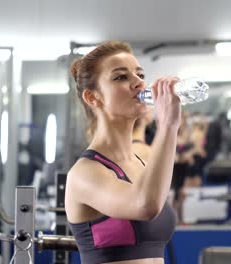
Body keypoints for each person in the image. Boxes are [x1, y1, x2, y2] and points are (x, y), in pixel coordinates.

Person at [65, 41, 180, 264]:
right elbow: (145, 206)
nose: (138, 83)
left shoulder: (142, 164)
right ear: (92, 97)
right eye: (121, 77)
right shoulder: (84, 174)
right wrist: (168, 126)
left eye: (140, 74)